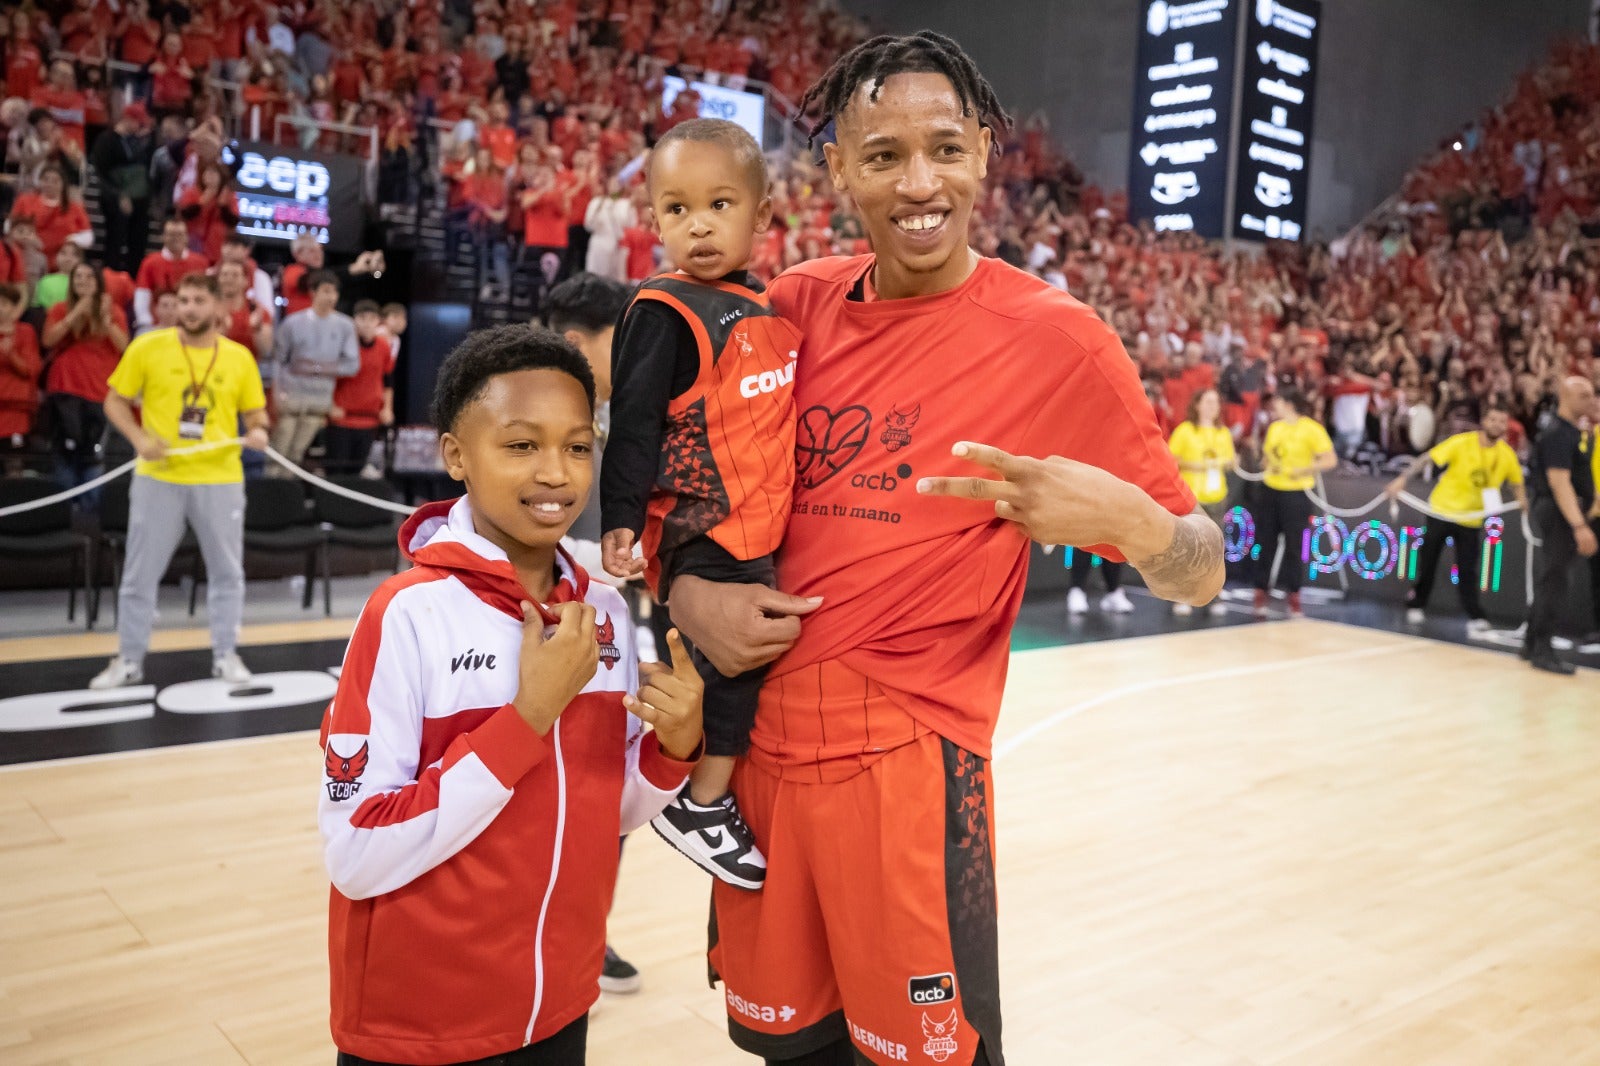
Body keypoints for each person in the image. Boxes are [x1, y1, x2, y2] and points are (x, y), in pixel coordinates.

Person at [664, 34, 1221, 1066]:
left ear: (983, 152)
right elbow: (678, 495)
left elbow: (1202, 566)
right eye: (882, 156)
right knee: (783, 1050)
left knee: (933, 1056)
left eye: (944, 149)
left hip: (910, 768)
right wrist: (688, 593)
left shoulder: (1060, 340)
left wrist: (1134, 522)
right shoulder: (785, 308)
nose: (919, 184)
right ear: (837, 170)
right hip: (757, 762)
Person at [317, 323, 705, 1064]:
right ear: (456, 455)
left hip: (560, 1002)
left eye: (578, 446)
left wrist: (671, 748)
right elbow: (358, 848)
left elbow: (607, 810)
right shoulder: (406, 614)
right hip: (422, 1023)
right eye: (522, 445)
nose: (556, 473)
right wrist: (528, 717)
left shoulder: (606, 611)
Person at [599, 118, 800, 892]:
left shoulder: (766, 307)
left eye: (719, 204)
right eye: (677, 210)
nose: (699, 224)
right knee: (733, 667)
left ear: (761, 210)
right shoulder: (662, 309)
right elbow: (636, 425)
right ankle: (701, 805)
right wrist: (621, 519)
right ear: (654, 220)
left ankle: (698, 789)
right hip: (701, 527)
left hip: (754, 523)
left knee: (737, 668)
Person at [544, 269, 648, 997]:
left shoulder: (613, 410)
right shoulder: (529, 410)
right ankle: (544, 937)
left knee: (605, 796)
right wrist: (598, 563)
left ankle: (586, 934)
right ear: (580, 343)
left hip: (608, 632)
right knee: (544, 793)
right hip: (541, 635)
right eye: (627, 341)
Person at [90, 273, 269, 690]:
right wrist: (138, 439)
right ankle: (129, 658)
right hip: (159, 477)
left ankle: (226, 654)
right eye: (183, 300)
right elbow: (114, 401)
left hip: (221, 477)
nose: (188, 308)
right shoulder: (147, 347)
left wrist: (259, 430)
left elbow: (256, 415)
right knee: (139, 574)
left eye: (197, 301)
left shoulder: (239, 357)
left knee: (227, 572)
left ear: (217, 308)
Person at [1384, 402, 1527, 635]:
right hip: (1441, 510)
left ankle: (1474, 614)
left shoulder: (1507, 455)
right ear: (1484, 421)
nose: (1497, 425)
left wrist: (1523, 504)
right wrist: (1403, 479)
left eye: (1502, 421)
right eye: (1493, 420)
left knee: (1468, 569)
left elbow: (1517, 482)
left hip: (1470, 519)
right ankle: (1417, 603)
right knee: (1427, 561)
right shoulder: (1462, 442)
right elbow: (1428, 458)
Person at [1522, 376, 1597, 675]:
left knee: (1550, 579)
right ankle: (1543, 650)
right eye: (1584, 395)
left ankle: (1531, 643)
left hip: (1560, 511)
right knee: (1555, 581)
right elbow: (1558, 481)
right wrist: (1579, 525)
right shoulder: (1558, 433)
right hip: (1557, 512)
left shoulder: (1572, 432)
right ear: (1565, 397)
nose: (1591, 400)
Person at [41, 261, 127, 488]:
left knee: (94, 454)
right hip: (65, 386)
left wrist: (106, 320)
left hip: (100, 389)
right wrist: (76, 312)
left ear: (98, 283)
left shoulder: (113, 310)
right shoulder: (60, 308)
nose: (83, 281)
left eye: (89, 277)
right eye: (78, 276)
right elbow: (48, 340)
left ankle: (90, 513)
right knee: (65, 449)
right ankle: (62, 513)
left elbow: (124, 346)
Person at [1252, 388, 1335, 619]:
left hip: (1296, 494)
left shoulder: (1311, 429)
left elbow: (1330, 459)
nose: (1274, 406)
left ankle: (1294, 595)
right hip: (1271, 489)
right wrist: (1267, 463)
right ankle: (1260, 591)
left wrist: (1305, 469)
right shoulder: (1275, 427)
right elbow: (1267, 457)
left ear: (1288, 404)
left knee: (1294, 547)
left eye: (1278, 401)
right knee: (1265, 542)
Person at [267, 269, 358, 471]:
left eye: (334, 292)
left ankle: (287, 496)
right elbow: (278, 361)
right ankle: (270, 495)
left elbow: (352, 365)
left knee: (296, 455)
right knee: (278, 452)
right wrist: (277, 393)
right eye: (326, 291)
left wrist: (316, 368)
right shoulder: (292, 323)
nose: (331, 297)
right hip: (290, 398)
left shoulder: (345, 325)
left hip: (319, 402)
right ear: (313, 292)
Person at [1167, 387, 1235, 618]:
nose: (1212, 406)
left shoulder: (1222, 433)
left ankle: (1213, 594)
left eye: (1216, 402)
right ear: (1197, 404)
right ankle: (1183, 594)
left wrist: (1229, 461)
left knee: (1215, 548)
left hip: (1216, 497)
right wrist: (1195, 465)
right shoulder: (1185, 431)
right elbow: (1170, 459)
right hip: (1191, 498)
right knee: (1187, 547)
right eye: (1207, 401)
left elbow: (1232, 460)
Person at [323, 300, 392, 475]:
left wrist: (387, 408)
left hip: (369, 419)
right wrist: (329, 406)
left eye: (372, 319)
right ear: (354, 320)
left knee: (357, 472)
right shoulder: (342, 345)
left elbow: (389, 380)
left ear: (378, 322)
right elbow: (327, 377)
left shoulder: (384, 346)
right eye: (362, 318)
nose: (367, 323)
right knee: (336, 472)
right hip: (341, 419)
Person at [89, 101, 154, 275]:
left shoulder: (137, 142)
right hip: (115, 197)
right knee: (115, 239)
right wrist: (119, 195)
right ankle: (111, 274)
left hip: (139, 197)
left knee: (138, 240)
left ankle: (134, 275)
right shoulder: (107, 140)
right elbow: (101, 173)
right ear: (128, 119)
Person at [134, 216, 208, 330]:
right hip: (157, 325)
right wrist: (145, 323)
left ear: (187, 237)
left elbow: (206, 296)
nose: (176, 238)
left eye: (180, 234)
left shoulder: (200, 263)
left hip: (191, 325)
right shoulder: (150, 262)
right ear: (163, 236)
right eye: (171, 234)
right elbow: (142, 295)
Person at [8, 162, 91, 264]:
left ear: (63, 184)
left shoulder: (74, 207)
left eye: (55, 181)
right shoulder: (24, 201)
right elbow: (9, 226)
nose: (50, 184)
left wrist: (71, 240)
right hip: (26, 258)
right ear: (40, 181)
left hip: (61, 261)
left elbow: (88, 236)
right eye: (46, 179)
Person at [0, 281, 40, 446]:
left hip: (16, 407)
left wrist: (11, 355)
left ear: (14, 307)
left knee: (14, 461)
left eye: (3, 304)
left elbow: (31, 369)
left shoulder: (26, 331)